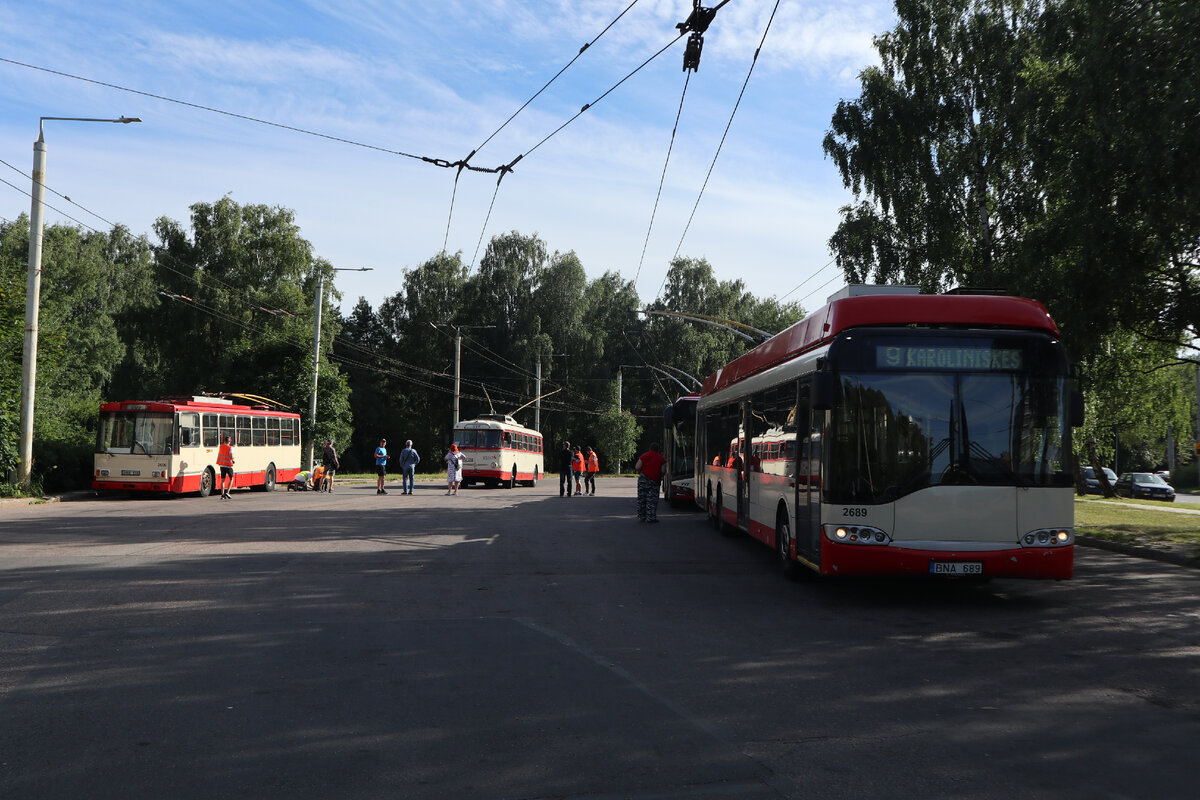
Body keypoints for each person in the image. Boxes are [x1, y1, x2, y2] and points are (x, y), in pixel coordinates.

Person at [634, 442, 666, 523]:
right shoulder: (661, 458)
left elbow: (637, 466)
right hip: (654, 481)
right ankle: (651, 517)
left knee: (642, 498)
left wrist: (640, 472)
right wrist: (661, 475)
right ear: (658, 449)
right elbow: (663, 470)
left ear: (650, 448)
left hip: (643, 479)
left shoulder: (644, 456)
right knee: (652, 499)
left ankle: (642, 516)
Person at [217, 434, 235, 499]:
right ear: (229, 441)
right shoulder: (230, 448)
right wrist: (233, 459)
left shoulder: (221, 447)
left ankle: (222, 495)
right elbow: (231, 456)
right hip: (228, 466)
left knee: (223, 480)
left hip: (222, 465)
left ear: (224, 441)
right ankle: (227, 492)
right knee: (231, 478)